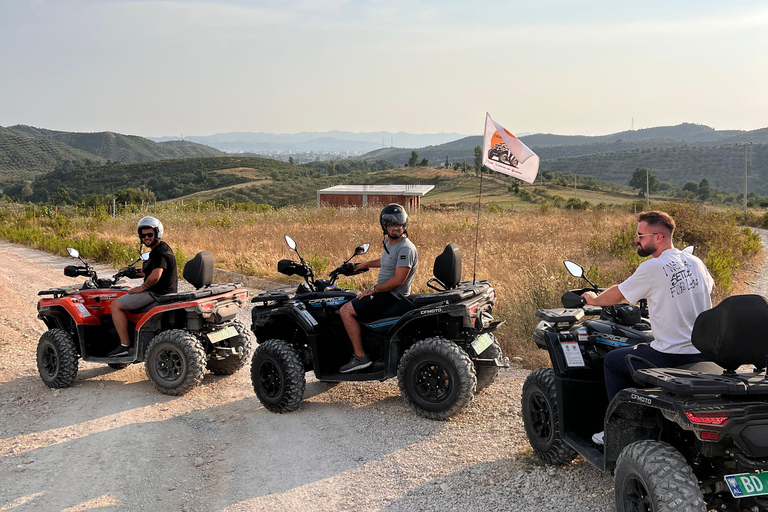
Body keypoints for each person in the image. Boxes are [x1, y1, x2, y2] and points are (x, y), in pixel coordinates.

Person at [582, 211, 714, 445]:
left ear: (659, 237)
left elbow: (619, 293)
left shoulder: (653, 266)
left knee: (612, 361)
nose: (637, 240)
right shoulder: (696, 262)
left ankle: (618, 428)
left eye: (641, 235)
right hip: (704, 351)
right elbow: (707, 289)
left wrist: (593, 299)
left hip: (670, 355)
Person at [338, 204, 418, 373]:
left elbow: (398, 280)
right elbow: (387, 262)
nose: (396, 227)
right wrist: (365, 264)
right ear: (385, 226)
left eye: (399, 224)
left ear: (405, 225)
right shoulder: (392, 244)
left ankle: (360, 357)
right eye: (391, 224)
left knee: (345, 310)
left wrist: (374, 289)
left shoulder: (406, 248)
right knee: (353, 300)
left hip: (391, 295)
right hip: (384, 293)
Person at [108, 217, 177, 357]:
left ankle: (124, 345)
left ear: (157, 233)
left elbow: (155, 276)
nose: (146, 238)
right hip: (165, 292)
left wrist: (142, 288)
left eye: (149, 235)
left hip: (156, 293)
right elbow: (149, 272)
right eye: (143, 235)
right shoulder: (161, 248)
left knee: (115, 305)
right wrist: (132, 273)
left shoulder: (159, 252)